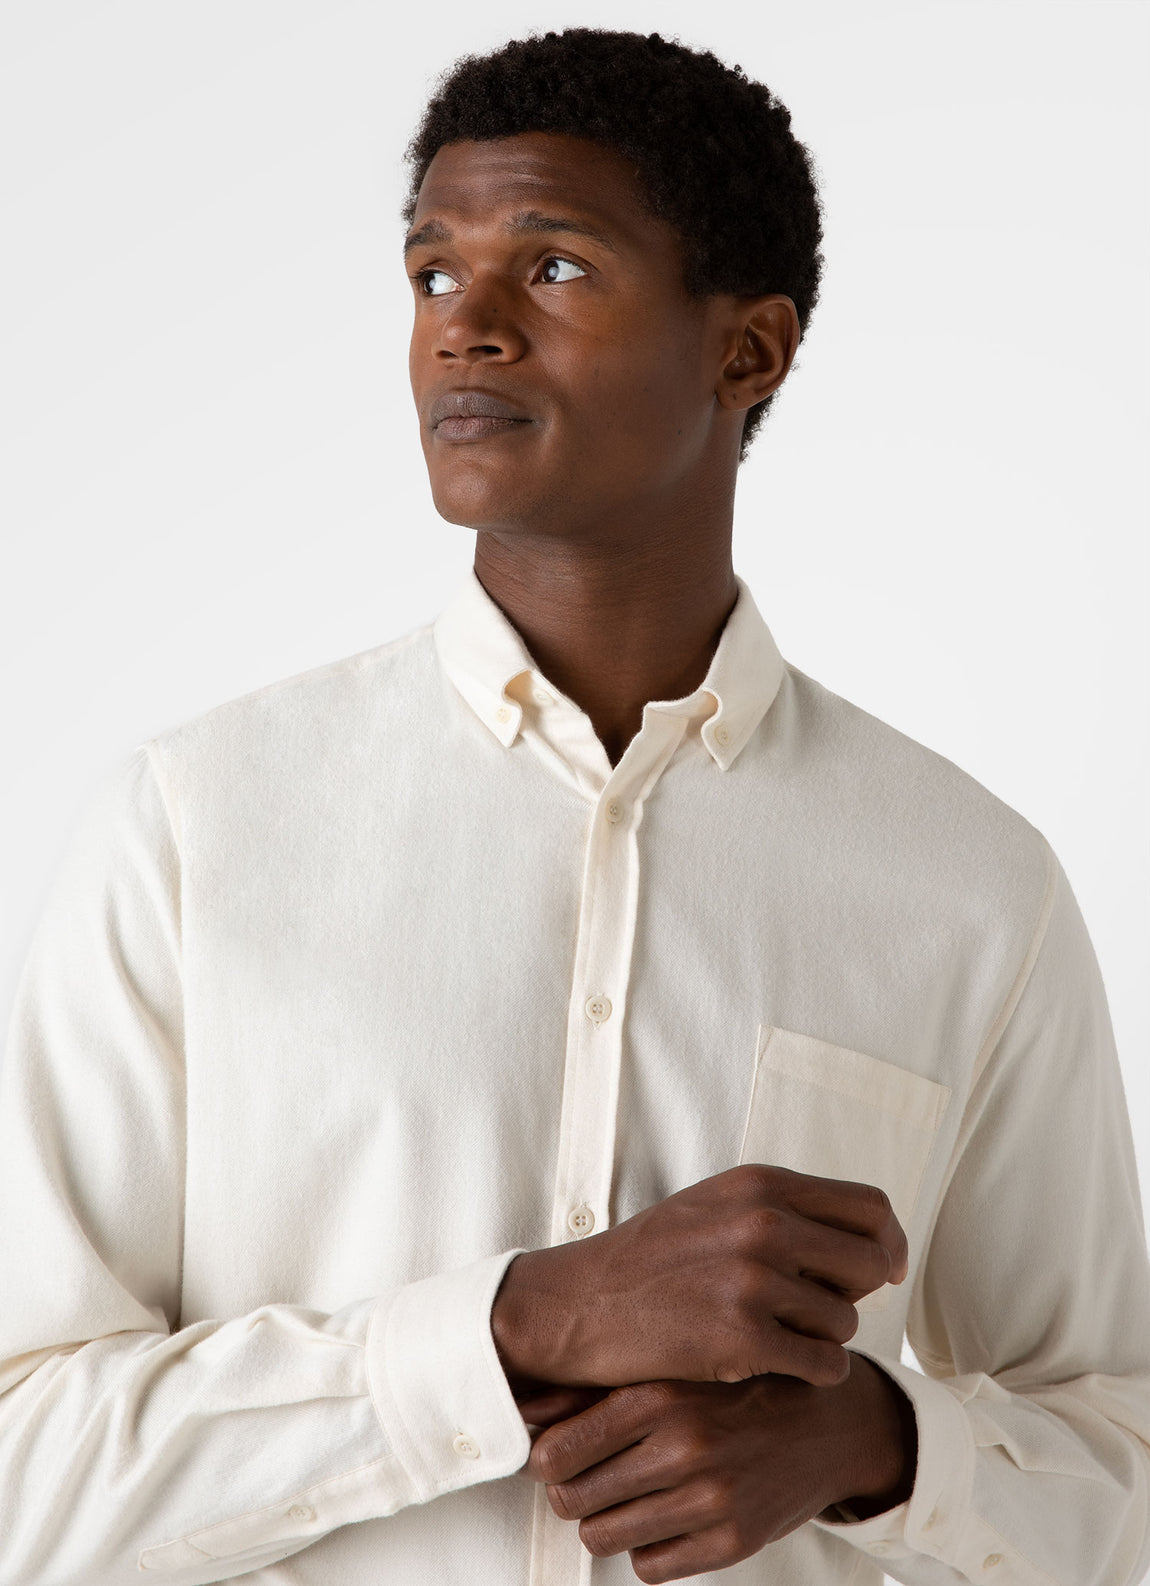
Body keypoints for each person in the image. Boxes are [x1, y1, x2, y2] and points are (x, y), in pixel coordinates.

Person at [0, 23, 1147, 1586]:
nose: (461, 330)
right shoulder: (195, 829)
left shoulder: (969, 886)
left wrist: (874, 1446)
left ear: (746, 352)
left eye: (550, 268)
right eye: (430, 273)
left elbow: (1117, 1465)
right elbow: (21, 1466)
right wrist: (514, 1324)